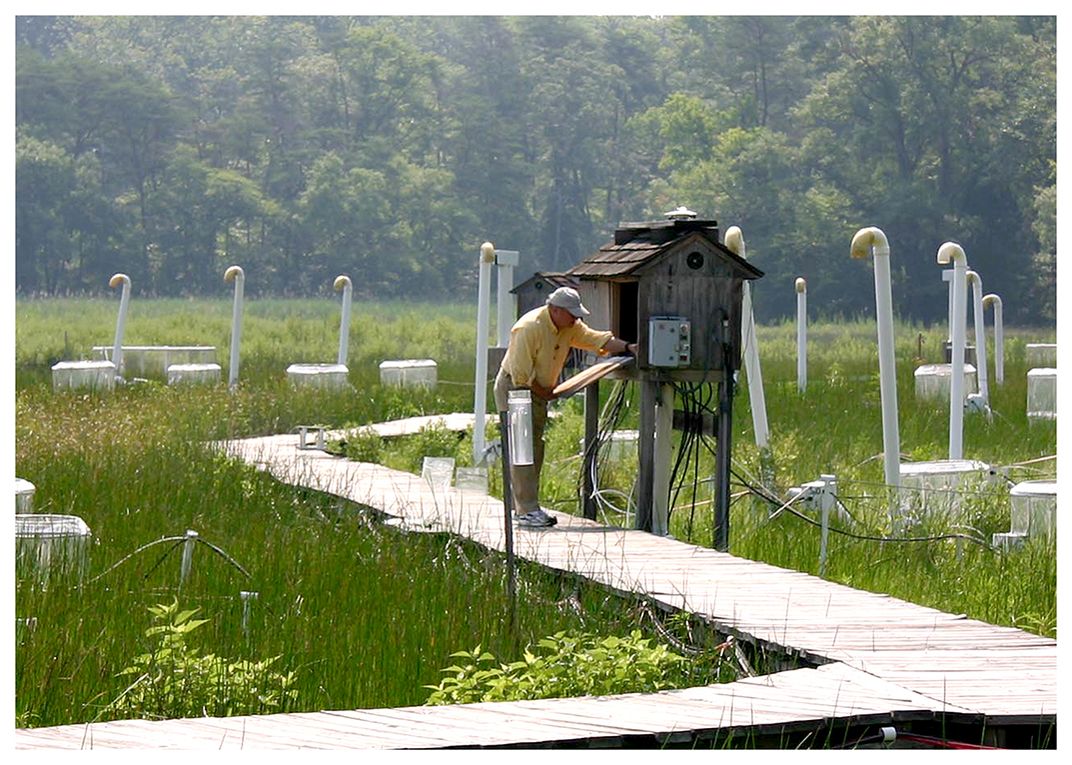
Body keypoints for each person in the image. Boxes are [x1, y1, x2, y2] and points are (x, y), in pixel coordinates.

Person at [494, 286, 637, 528]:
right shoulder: (528, 328)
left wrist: (628, 347)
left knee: (534, 447)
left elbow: (596, 339)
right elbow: (521, 378)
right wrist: (547, 394)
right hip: (516, 389)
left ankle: (522, 506)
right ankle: (526, 511)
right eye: (571, 313)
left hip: (537, 391)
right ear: (554, 310)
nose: (576, 318)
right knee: (523, 448)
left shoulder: (569, 326)